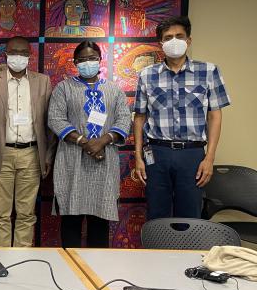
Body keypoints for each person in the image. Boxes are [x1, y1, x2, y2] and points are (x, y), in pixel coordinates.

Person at [132, 16, 230, 219]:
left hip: (192, 154)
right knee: (157, 216)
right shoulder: (146, 75)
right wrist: (138, 157)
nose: (174, 41)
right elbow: (140, 117)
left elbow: (215, 116)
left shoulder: (209, 71)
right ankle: (156, 252)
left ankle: (186, 252)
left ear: (189, 40)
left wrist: (209, 158)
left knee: (190, 217)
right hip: (157, 153)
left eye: (179, 36)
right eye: (168, 37)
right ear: (161, 44)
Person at [48, 41, 131, 248]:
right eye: (83, 59)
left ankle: (96, 273)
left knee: (99, 223)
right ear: (75, 62)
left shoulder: (114, 90)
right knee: (71, 221)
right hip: (72, 161)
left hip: (104, 163)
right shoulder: (64, 88)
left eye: (92, 58)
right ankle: (70, 270)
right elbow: (55, 119)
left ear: (100, 60)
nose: (88, 63)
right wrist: (85, 142)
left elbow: (123, 120)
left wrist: (102, 141)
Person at [0, 36, 55, 247]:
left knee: (26, 214)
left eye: (23, 53)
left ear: (30, 56)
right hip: (1, 153)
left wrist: (48, 156)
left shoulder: (42, 81)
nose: (18, 56)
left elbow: (49, 123)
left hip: (31, 154)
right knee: (1, 214)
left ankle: (21, 261)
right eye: (14, 52)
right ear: (6, 54)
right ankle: (2, 261)